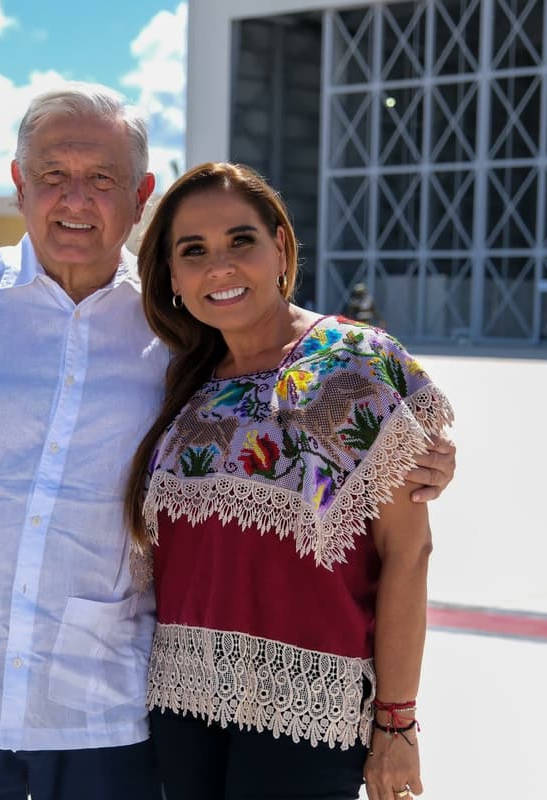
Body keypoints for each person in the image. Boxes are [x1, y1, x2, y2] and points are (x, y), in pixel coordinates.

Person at [0, 85, 457, 800]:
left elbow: (291, 384)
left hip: (106, 709)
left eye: (101, 178)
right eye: (52, 175)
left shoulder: (175, 325)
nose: (75, 199)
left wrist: (417, 449)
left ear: (140, 194)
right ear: (17, 183)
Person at [124, 162, 453, 800]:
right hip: (178, 698)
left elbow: (408, 553)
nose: (219, 266)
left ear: (279, 245)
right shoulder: (177, 380)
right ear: (172, 278)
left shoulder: (355, 362)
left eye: (239, 240)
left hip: (310, 708)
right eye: (193, 251)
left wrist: (397, 722)